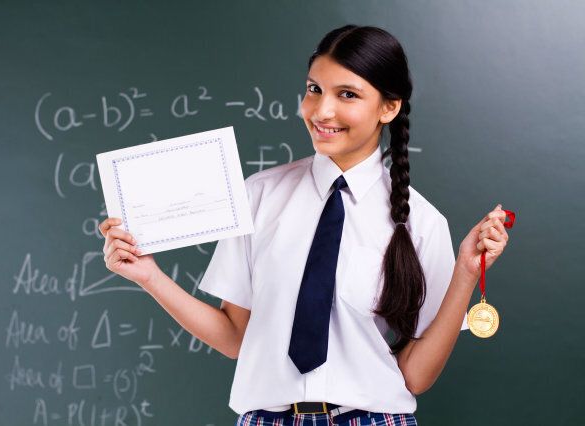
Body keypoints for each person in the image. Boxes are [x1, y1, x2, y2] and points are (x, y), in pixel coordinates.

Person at [98, 25, 511, 426]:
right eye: (314, 89)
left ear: (389, 107)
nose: (321, 111)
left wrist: (466, 274)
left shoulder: (420, 222)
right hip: (265, 420)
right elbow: (235, 338)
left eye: (347, 94)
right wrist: (150, 277)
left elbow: (416, 377)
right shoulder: (259, 196)